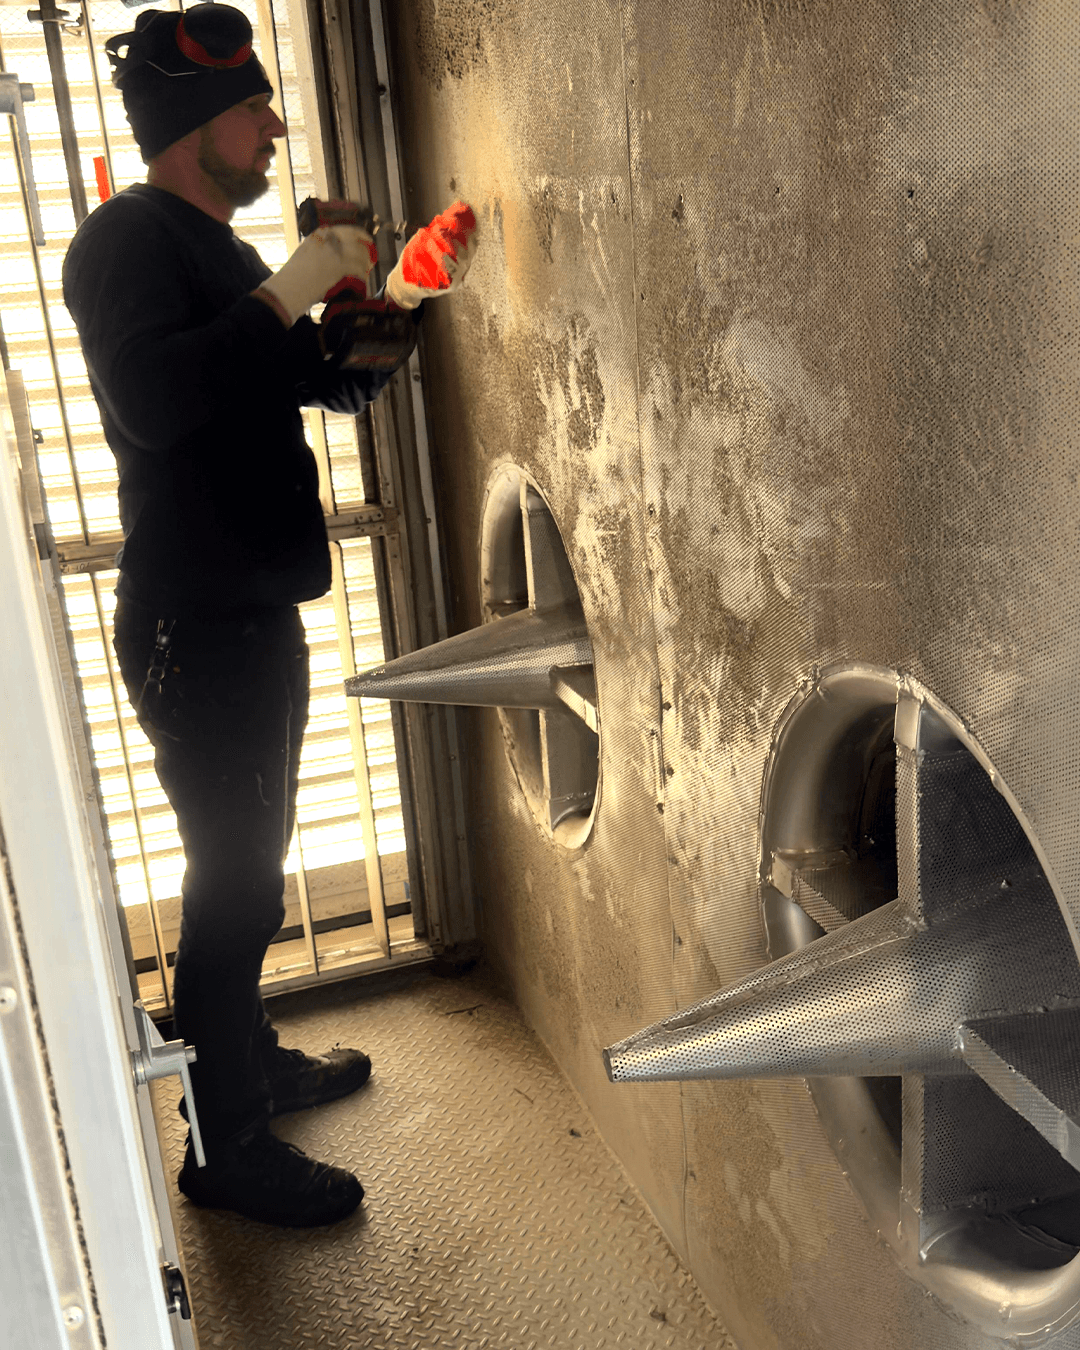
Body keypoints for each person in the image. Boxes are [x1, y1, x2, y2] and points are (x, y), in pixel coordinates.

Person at [62, 2, 476, 1228]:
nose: (276, 130)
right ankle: (224, 1144)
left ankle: (251, 1065)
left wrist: (399, 295)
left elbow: (314, 386)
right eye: (256, 114)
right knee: (235, 886)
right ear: (197, 130)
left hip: (248, 612)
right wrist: (298, 280)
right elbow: (152, 402)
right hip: (196, 622)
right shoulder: (127, 240)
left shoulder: (228, 254)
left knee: (249, 865)